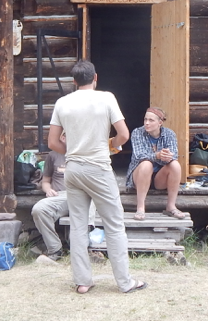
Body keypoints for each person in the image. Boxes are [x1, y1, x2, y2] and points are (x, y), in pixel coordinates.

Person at [48, 60, 147, 295]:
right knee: (114, 225)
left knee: (78, 226)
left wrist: (73, 151)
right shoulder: (106, 98)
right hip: (98, 168)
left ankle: (83, 282)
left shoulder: (62, 103)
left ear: (73, 81)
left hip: (73, 169)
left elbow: (52, 142)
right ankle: (125, 282)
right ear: (95, 78)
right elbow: (123, 134)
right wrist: (110, 146)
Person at [31, 133, 96, 261]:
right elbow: (45, 181)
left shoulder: (87, 154)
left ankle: (82, 250)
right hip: (60, 195)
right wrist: (48, 190)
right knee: (38, 209)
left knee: (89, 202)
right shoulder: (53, 155)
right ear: (63, 138)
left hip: (82, 193)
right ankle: (54, 249)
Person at [126, 107, 185, 221]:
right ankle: (140, 208)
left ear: (160, 123)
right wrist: (157, 156)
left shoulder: (169, 134)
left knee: (175, 165)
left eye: (151, 120)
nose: (147, 123)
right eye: (145, 119)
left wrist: (166, 156)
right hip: (140, 176)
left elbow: (174, 155)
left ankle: (171, 206)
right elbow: (139, 156)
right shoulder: (137, 132)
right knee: (146, 164)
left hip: (159, 178)